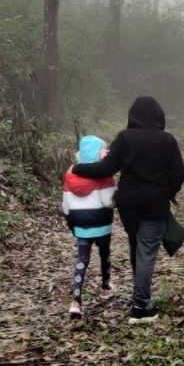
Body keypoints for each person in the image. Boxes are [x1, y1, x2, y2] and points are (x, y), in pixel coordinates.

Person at [72, 97, 184, 324]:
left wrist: (78, 168)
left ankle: (139, 295)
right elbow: (179, 172)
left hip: (128, 204)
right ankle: (140, 307)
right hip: (155, 204)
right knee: (146, 252)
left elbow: (107, 167)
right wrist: (168, 191)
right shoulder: (167, 141)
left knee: (137, 246)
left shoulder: (125, 138)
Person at [62, 136, 117, 318]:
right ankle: (105, 286)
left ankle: (76, 301)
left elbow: (65, 207)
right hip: (101, 224)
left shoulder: (70, 176)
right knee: (104, 255)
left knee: (82, 259)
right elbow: (109, 202)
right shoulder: (104, 176)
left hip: (81, 225)